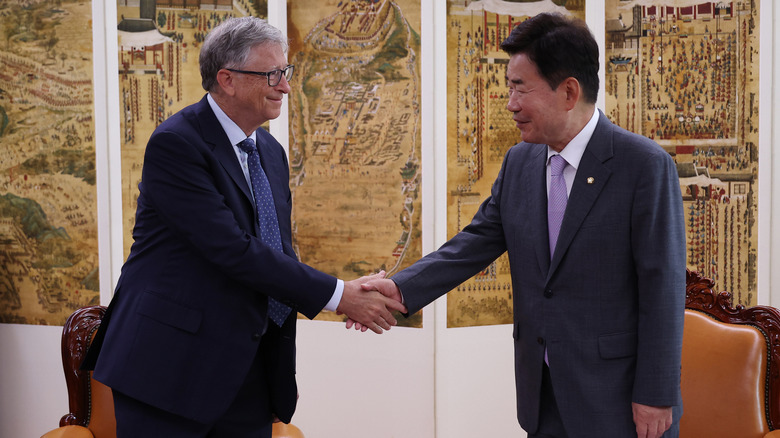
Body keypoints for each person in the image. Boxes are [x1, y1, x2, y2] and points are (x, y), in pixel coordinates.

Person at [357, 12, 686, 438]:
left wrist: (657, 394)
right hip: (541, 395)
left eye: (520, 88)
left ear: (569, 92)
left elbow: (663, 287)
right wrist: (401, 289)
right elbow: (475, 242)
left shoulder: (643, 166)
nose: (510, 103)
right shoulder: (520, 161)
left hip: (617, 400)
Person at [83, 17, 405, 437]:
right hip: (168, 372)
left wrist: (343, 296)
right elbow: (232, 249)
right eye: (271, 74)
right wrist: (340, 295)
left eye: (285, 72)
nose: (284, 86)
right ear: (227, 80)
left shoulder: (269, 151)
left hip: (248, 372)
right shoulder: (176, 144)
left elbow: (276, 252)